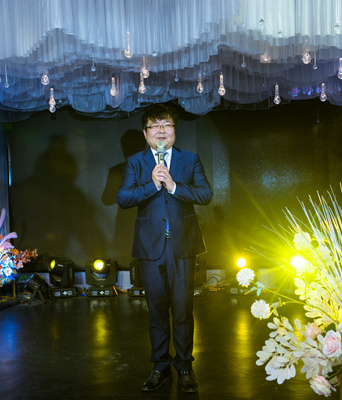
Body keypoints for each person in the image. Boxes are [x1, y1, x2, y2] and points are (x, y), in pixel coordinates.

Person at [117, 104, 212, 393]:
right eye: (155, 126)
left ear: (174, 130)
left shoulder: (190, 159)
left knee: (183, 310)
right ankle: (160, 365)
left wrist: (173, 186)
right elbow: (123, 198)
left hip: (183, 246)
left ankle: (184, 365)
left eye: (166, 125)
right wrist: (153, 184)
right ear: (145, 133)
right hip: (151, 247)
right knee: (156, 311)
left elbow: (205, 194)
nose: (161, 131)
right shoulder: (135, 162)